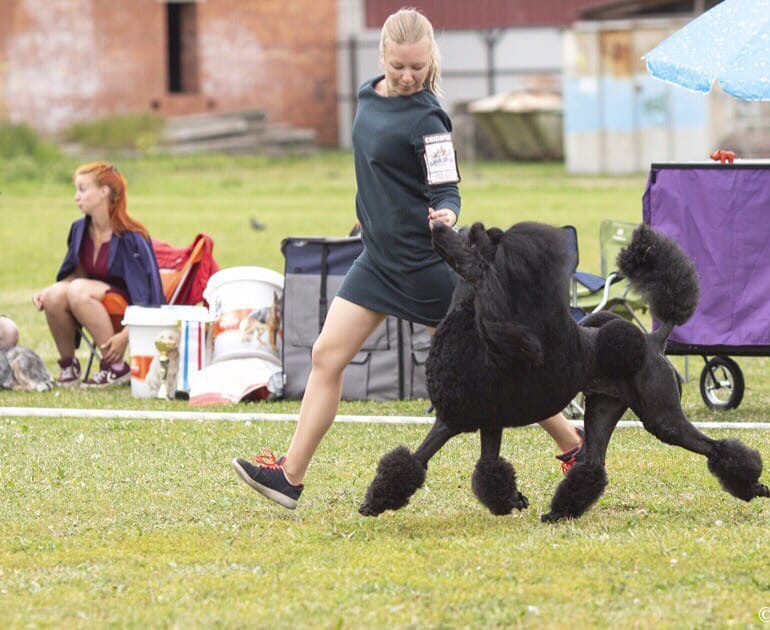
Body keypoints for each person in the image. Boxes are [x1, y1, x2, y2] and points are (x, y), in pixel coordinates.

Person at [233, 8, 584, 510]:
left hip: (426, 267)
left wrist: (444, 211)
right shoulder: (365, 97)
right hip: (377, 260)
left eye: (417, 66)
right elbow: (373, 171)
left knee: (490, 363)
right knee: (325, 356)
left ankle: (572, 443)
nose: (408, 75)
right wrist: (368, 214)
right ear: (383, 56)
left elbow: (447, 188)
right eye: (399, 66)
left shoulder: (427, 115)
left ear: (429, 60)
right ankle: (290, 476)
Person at [33, 161, 164, 388]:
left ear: (104, 192)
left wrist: (126, 336)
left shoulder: (132, 236)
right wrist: (47, 291)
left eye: (82, 189)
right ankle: (68, 367)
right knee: (55, 293)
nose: (76, 197)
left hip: (126, 311)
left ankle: (115, 367)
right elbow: (77, 273)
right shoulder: (79, 229)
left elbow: (148, 295)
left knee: (77, 289)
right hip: (87, 301)